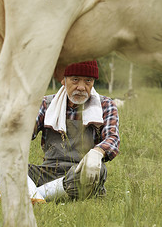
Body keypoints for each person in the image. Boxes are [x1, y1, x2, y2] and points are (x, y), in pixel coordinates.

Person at [24, 60, 120, 203]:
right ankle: (43, 195)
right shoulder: (46, 104)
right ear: (63, 80)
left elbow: (112, 138)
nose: (81, 87)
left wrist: (98, 152)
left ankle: (34, 194)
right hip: (47, 173)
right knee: (2, 155)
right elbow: (23, 135)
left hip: (81, 172)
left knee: (98, 171)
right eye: (75, 79)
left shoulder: (105, 105)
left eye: (88, 81)